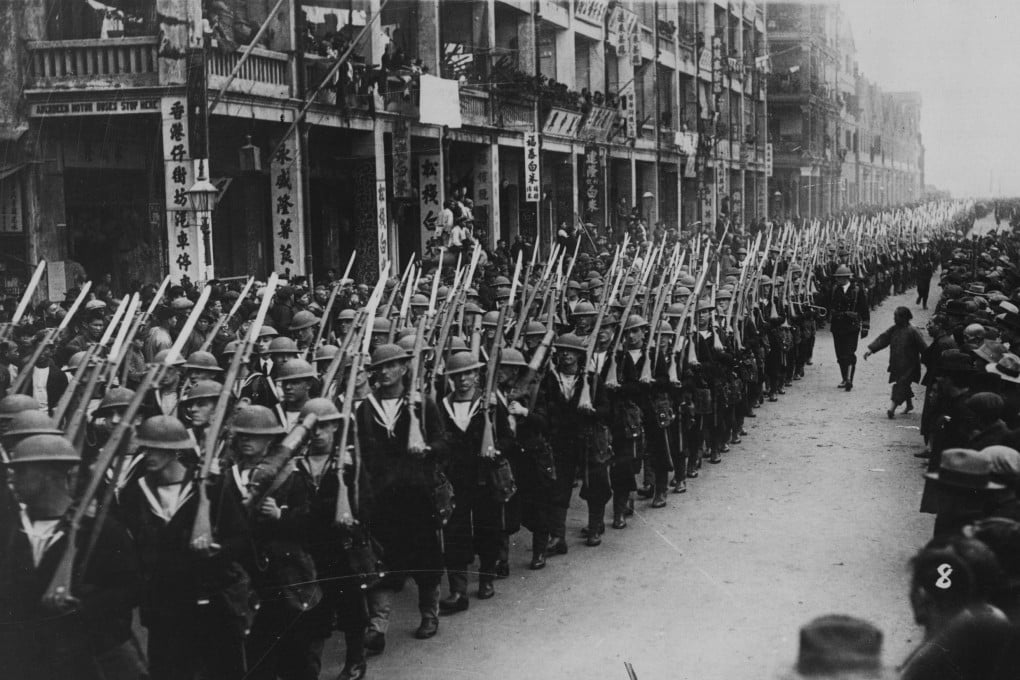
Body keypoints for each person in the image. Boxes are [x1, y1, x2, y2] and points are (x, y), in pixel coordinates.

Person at [0, 434, 145, 680]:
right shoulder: (9, 530)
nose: (11, 478)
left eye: (22, 470)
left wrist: (80, 605)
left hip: (85, 658)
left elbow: (130, 588)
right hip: (23, 660)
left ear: (49, 475)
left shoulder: (101, 530)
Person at [864, 306, 929, 418]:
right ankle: (909, 405)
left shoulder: (913, 331)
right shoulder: (894, 329)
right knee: (903, 384)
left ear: (904, 318)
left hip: (910, 366)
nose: (894, 319)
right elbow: (883, 339)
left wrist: (929, 360)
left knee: (901, 384)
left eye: (897, 316)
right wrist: (871, 350)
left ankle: (892, 409)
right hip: (897, 364)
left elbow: (923, 347)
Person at [827, 264, 870, 391]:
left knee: (850, 353)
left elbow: (864, 308)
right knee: (840, 354)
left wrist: (865, 326)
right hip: (838, 327)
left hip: (852, 327)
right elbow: (829, 305)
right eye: (837, 278)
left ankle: (849, 379)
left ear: (847, 277)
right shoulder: (834, 289)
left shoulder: (857, 290)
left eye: (841, 277)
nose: (838, 280)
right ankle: (844, 378)